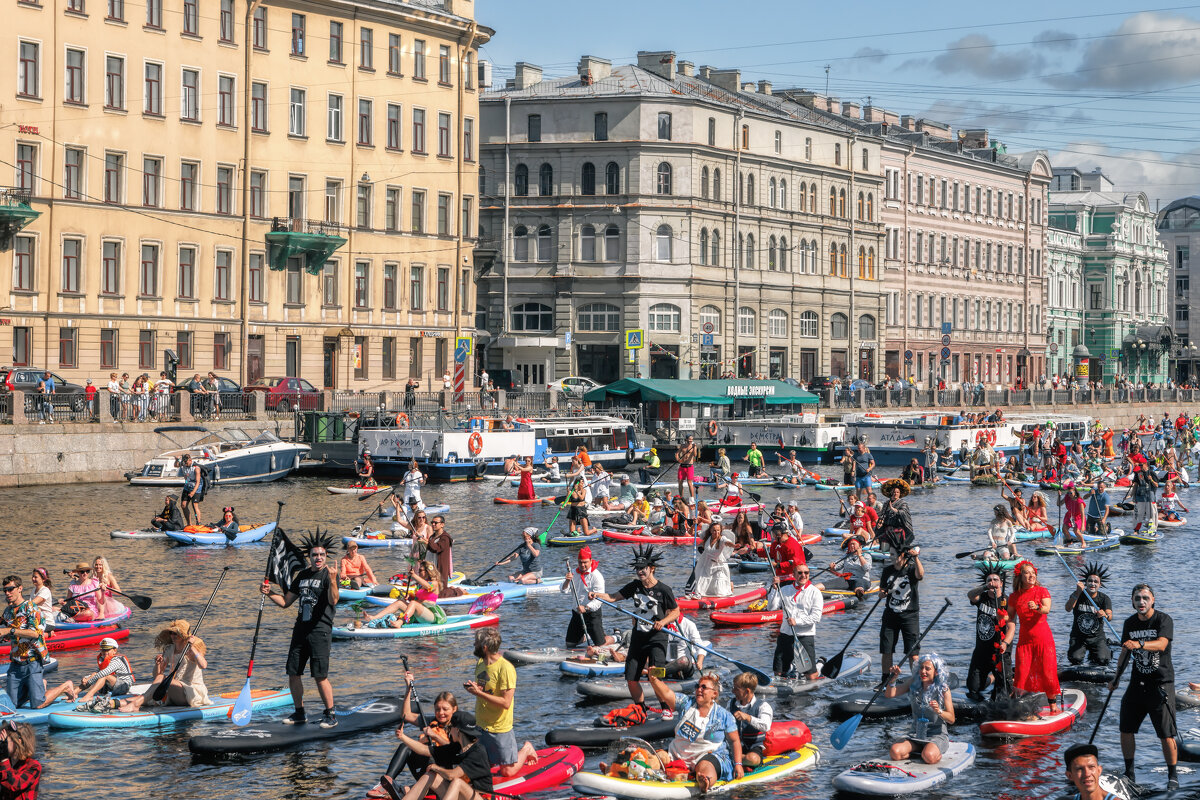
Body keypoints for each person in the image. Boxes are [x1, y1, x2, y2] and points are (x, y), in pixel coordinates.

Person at [262, 530, 341, 728]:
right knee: (293, 672)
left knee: (320, 675)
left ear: (326, 557)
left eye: (322, 555)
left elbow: (334, 600)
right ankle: (299, 712)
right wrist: (269, 592)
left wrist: (332, 580)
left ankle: (330, 714)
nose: (318, 558)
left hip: (320, 631)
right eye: (315, 555)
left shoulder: (329, 575)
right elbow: (286, 602)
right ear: (309, 557)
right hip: (300, 630)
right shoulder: (303, 575)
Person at [590, 545, 679, 709]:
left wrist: (663, 621)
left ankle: (666, 708)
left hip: (657, 637)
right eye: (637, 568)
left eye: (643, 568)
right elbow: (613, 597)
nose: (640, 571)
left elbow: (675, 611)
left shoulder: (664, 590)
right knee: (631, 678)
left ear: (651, 569)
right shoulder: (634, 586)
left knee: (655, 676)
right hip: (638, 637)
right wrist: (597, 595)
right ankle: (641, 708)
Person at [1113, 583, 1178, 789]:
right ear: (1132, 601)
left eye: (1145, 598)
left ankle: (1172, 776)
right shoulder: (1129, 623)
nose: (1141, 602)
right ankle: (1129, 773)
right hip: (1136, 684)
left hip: (1160, 684)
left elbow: (1161, 644)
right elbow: (1124, 653)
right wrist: (1115, 678)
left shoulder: (1163, 619)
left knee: (1165, 733)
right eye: (1137, 598)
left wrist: (1139, 644)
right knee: (1125, 728)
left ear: (1153, 600)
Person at [643, 670, 743, 793]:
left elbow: (735, 741)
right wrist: (654, 680)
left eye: (704, 687)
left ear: (714, 694)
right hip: (676, 753)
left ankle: (704, 781)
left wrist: (738, 764)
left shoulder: (724, 716)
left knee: (704, 767)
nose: (699, 689)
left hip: (707, 755)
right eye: (698, 686)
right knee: (656, 758)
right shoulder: (686, 703)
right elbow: (667, 693)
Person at [464, 627, 539, 777]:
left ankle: (526, 749)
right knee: (484, 765)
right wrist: (476, 688)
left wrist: (479, 693)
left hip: (499, 727)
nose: (474, 645)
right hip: (481, 724)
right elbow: (486, 688)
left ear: (484, 647)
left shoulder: (506, 668)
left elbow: (506, 702)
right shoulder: (480, 662)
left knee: (507, 771)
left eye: (476, 643)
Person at [395, 710, 493, 800]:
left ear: (457, 730)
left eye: (450, 727)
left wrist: (436, 767)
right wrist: (402, 737)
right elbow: (425, 750)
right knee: (430, 775)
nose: (449, 731)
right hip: (461, 796)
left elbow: (452, 775)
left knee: (457, 782)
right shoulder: (456, 747)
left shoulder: (477, 752)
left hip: (481, 797)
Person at [116, 619, 209, 712]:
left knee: (162, 681)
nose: (173, 636)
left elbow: (203, 665)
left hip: (191, 693)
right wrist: (157, 665)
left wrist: (192, 647)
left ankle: (135, 705)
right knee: (147, 696)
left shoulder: (191, 650)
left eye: (176, 633)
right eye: (171, 633)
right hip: (174, 690)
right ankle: (113, 703)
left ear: (182, 635)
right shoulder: (170, 649)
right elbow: (157, 676)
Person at [1009, 560, 1061, 714]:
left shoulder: (1042, 591)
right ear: (1020, 576)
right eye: (1027, 573)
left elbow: (1046, 609)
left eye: (1033, 573)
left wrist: (1037, 607)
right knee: (1021, 673)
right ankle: (1020, 705)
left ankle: (1052, 705)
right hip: (1024, 640)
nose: (1031, 575)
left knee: (1047, 671)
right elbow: (1010, 618)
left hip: (1043, 638)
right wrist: (1000, 616)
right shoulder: (1014, 596)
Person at [884, 653, 956, 765]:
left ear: (936, 672)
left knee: (929, 757)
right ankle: (920, 751)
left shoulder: (943, 689)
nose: (923, 671)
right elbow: (889, 694)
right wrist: (893, 679)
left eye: (927, 669)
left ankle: (931, 751)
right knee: (895, 752)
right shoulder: (913, 683)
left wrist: (939, 711)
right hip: (915, 734)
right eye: (921, 668)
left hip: (937, 735)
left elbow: (951, 719)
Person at [40, 637, 135, 708]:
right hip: (113, 686)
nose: (104, 652)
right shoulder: (103, 659)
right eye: (102, 650)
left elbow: (104, 673)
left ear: (115, 650)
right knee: (94, 674)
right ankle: (75, 692)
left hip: (123, 686)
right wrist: (87, 677)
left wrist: (90, 680)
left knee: (103, 676)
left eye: (107, 650)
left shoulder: (116, 660)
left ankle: (89, 695)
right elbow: (98, 672)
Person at [966, 564, 1013, 702]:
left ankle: (1007, 676)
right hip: (982, 650)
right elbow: (970, 595)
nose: (993, 582)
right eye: (989, 580)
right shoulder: (982, 597)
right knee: (973, 688)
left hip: (1000, 651)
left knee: (1002, 693)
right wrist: (985, 587)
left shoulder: (1007, 602)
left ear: (1002, 583)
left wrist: (1005, 643)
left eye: (996, 579)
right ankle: (991, 678)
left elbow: (1011, 627)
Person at [768, 563, 822, 679]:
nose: (803, 575)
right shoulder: (784, 589)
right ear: (794, 575)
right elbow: (771, 608)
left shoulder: (815, 592)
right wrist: (774, 589)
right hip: (785, 634)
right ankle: (789, 672)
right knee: (778, 672)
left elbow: (816, 617)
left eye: (806, 573)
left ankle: (818, 667)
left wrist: (797, 621)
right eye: (800, 573)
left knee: (811, 675)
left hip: (804, 635)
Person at [1, 577, 47, 709]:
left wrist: (10, 631)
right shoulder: (8, 612)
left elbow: (35, 634)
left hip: (32, 662)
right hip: (15, 665)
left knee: (37, 705)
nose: (7, 593)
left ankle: (65, 686)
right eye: (5, 590)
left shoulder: (30, 607)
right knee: (10, 706)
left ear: (20, 589)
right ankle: (31, 690)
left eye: (10, 589)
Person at [359, 562, 448, 630]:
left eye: (420, 570)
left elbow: (428, 587)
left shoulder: (435, 583)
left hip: (430, 615)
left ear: (428, 572)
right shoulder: (420, 585)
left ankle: (400, 622)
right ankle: (374, 617)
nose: (419, 572)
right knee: (400, 602)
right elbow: (419, 598)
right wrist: (410, 597)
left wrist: (414, 576)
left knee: (413, 603)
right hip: (419, 613)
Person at [879, 546, 924, 680]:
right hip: (890, 615)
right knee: (886, 650)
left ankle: (917, 681)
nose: (891, 557)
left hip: (909, 616)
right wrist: (883, 593)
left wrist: (916, 557)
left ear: (902, 556)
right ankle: (885, 680)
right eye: (890, 554)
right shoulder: (887, 570)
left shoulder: (911, 569)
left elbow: (920, 575)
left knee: (912, 653)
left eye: (894, 555)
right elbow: (881, 592)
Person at [562, 547, 612, 648]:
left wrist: (586, 608)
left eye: (585, 562)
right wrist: (567, 581)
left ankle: (615, 637)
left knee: (600, 645)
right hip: (577, 613)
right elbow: (564, 590)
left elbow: (599, 599)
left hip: (592, 614)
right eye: (580, 562)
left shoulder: (597, 576)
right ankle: (584, 636)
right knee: (569, 644)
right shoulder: (573, 573)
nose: (582, 565)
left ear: (590, 560)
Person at [1065, 562, 1113, 667]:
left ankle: (1102, 650)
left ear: (1100, 584)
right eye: (1090, 581)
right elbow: (1068, 608)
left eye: (1096, 581)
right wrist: (1077, 593)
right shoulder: (1077, 594)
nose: (1092, 583)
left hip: (1097, 637)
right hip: (1078, 637)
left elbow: (1109, 617)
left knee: (1103, 660)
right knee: (1075, 659)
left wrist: (1104, 614)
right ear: (1086, 582)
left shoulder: (1104, 598)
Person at [728, 673, 773, 768]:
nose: (733, 691)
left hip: (753, 747)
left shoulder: (763, 706)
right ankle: (735, 759)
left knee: (752, 759)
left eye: (736, 689)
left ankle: (733, 760)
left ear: (747, 691)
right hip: (733, 745)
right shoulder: (731, 703)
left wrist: (748, 717)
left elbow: (766, 726)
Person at [690, 523, 733, 599]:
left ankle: (730, 585)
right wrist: (694, 524)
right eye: (714, 530)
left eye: (718, 530)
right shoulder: (706, 537)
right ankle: (698, 593)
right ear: (710, 530)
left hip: (718, 563)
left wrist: (734, 545)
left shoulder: (722, 539)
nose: (716, 533)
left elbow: (727, 542)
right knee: (701, 579)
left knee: (719, 588)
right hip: (705, 561)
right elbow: (691, 533)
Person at [0, 721, 41, 799]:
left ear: (18, 742)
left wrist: (4, 758)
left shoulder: (34, 766)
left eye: (4, 741)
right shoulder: (3, 762)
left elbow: (13, 785)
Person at [876, 479, 914, 558]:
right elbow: (882, 515)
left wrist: (894, 510)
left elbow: (904, 514)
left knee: (897, 548)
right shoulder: (886, 503)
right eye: (893, 492)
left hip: (898, 530)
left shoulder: (903, 503)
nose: (895, 494)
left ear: (900, 494)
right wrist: (880, 523)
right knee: (884, 547)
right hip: (887, 530)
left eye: (897, 492)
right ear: (890, 493)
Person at [1130, 461, 1159, 533]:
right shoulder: (1137, 473)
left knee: (1152, 514)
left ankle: (1152, 529)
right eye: (1139, 465)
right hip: (1140, 496)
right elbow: (1136, 485)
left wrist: (1151, 479)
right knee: (1138, 514)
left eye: (1141, 465)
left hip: (1150, 496)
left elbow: (1156, 485)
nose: (1140, 466)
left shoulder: (1152, 473)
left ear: (1146, 465)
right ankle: (1136, 530)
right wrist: (1132, 495)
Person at [179, 453, 204, 527]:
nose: (185, 464)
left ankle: (198, 522)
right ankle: (189, 524)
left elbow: (198, 482)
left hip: (196, 488)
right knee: (183, 505)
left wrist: (193, 492)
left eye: (186, 462)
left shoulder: (196, 468)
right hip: (187, 487)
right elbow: (175, 465)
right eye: (184, 463)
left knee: (194, 505)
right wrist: (177, 459)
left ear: (190, 460)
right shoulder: (183, 465)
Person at [426, 516, 454, 580]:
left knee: (440, 588)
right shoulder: (432, 537)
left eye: (435, 523)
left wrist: (426, 542)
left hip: (439, 569)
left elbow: (436, 548)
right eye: (432, 522)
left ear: (442, 524)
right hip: (430, 567)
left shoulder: (445, 538)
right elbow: (430, 548)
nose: (433, 524)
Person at [677, 435, 698, 500]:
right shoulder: (682, 446)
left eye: (692, 439)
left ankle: (692, 498)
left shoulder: (693, 446)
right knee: (680, 481)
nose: (690, 441)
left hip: (689, 466)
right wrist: (678, 460)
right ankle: (681, 497)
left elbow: (695, 455)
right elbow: (677, 453)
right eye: (689, 439)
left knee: (689, 482)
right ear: (686, 439)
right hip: (682, 466)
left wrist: (694, 448)